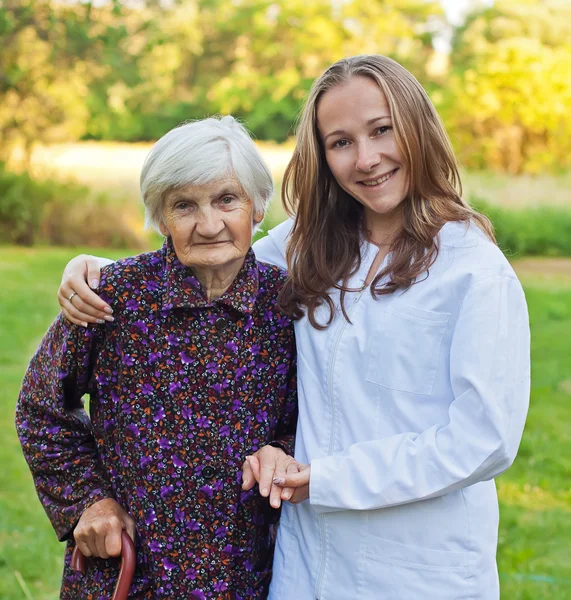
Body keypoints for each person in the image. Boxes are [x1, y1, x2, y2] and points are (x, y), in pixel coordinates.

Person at [55, 55, 530, 599]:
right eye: (341, 142)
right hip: (303, 565)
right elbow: (213, 256)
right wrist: (94, 271)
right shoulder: (305, 243)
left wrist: (330, 478)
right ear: (323, 155)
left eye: (382, 130)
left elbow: (484, 440)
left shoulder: (473, 269)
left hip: (418, 567)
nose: (367, 158)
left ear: (418, 127)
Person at [16, 116, 299, 600]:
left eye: (227, 199)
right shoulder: (112, 297)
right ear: (160, 216)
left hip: (248, 575)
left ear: (257, 208)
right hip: (126, 573)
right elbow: (42, 408)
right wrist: (88, 501)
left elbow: (320, 416)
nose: (209, 224)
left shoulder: (290, 307)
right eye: (184, 205)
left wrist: (285, 450)